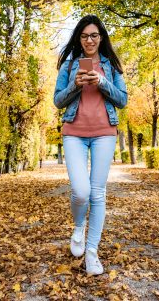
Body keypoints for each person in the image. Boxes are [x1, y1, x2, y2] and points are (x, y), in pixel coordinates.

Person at [53, 15, 127, 275]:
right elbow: (58, 101)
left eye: (94, 35)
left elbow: (123, 100)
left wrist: (102, 82)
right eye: (84, 36)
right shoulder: (70, 64)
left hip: (104, 133)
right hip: (74, 132)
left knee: (98, 193)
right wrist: (75, 85)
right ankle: (77, 226)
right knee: (81, 191)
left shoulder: (111, 65)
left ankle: (92, 252)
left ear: (101, 37)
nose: (90, 40)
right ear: (79, 38)